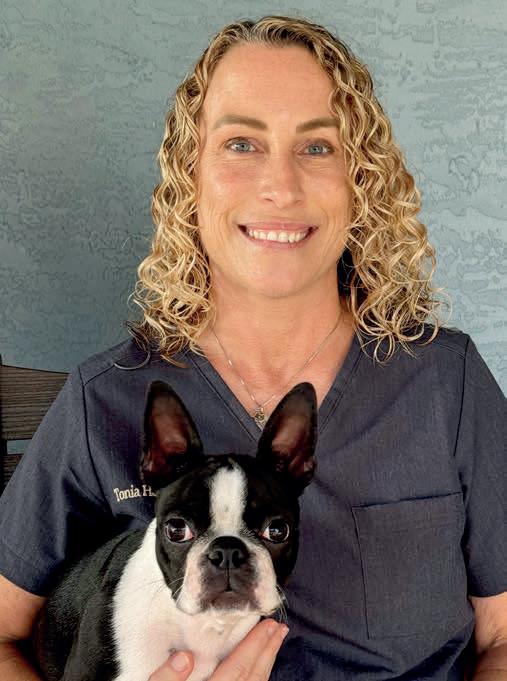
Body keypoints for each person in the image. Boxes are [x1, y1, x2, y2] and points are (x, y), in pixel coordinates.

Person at [0, 14, 506, 681]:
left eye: (317, 146)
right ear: (189, 176)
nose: (280, 185)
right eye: (241, 143)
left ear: (362, 181)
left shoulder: (444, 382)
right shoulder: (108, 398)